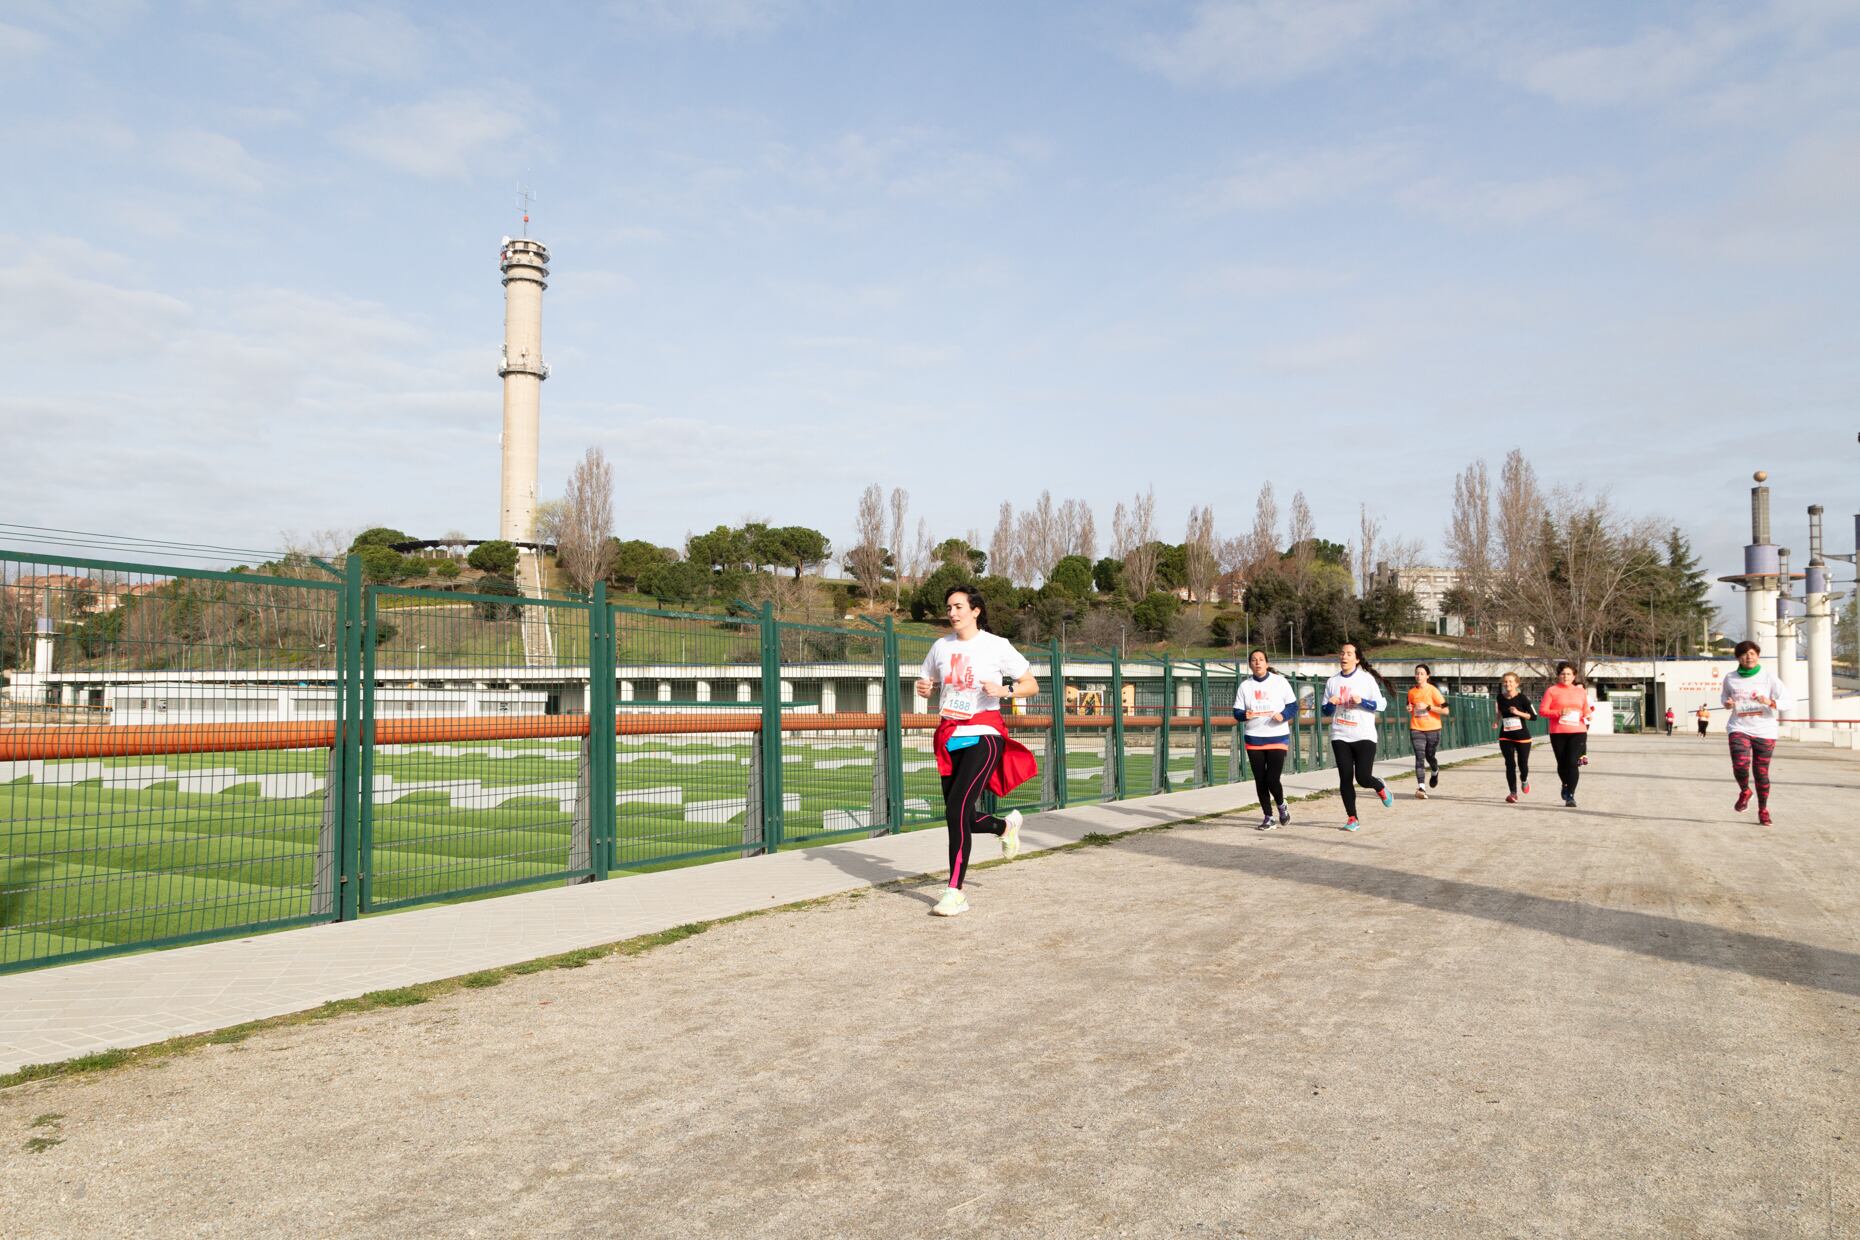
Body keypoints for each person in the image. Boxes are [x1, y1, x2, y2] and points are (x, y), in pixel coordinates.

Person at [915, 585, 1039, 916]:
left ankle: (955, 892)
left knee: (956, 811)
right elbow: (926, 683)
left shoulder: (996, 645)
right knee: (960, 815)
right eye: (948, 607)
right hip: (950, 735)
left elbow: (1031, 684)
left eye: (958, 606)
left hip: (984, 733)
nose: (952, 613)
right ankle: (1005, 827)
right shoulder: (940, 647)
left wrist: (1005, 689)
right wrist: (923, 688)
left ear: (975, 611)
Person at [1720, 639, 1794, 827]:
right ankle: (1745, 791)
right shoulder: (1730, 678)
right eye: (1744, 654)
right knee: (1740, 764)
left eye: (1752, 653)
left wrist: (1770, 702)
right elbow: (1725, 697)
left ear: (1758, 656)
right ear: (1738, 658)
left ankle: (1763, 810)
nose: (1749, 657)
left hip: (1764, 729)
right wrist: (1727, 703)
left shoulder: (1769, 677)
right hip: (1739, 726)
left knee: (1761, 773)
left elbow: (1787, 702)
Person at [1322, 641, 1393, 831]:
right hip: (1340, 735)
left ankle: (1379, 787)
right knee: (1345, 777)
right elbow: (1325, 711)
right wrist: (1330, 704)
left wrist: (1362, 702)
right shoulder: (1332, 681)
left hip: (1364, 735)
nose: (1344, 656)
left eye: (1349, 654)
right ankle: (1352, 818)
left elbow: (1381, 705)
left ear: (1357, 659)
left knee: (1363, 778)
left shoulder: (1366, 679)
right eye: (1342, 653)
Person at [1234, 648, 1298, 830]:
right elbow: (1237, 712)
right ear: (1250, 664)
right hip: (1254, 738)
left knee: (1272, 778)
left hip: (1277, 736)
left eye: (1261, 659)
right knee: (1260, 780)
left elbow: (1293, 706)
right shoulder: (1245, 686)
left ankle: (1281, 806)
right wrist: (1244, 714)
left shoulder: (1280, 682)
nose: (1257, 662)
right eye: (1254, 660)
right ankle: (1268, 817)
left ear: (1266, 663)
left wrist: (1283, 715)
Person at [1538, 662, 1591, 807]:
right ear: (1558, 675)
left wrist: (1588, 715)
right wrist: (1559, 712)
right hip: (1558, 732)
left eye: (1569, 674)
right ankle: (1565, 784)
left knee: (1572, 762)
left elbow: (1586, 709)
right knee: (1562, 763)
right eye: (1563, 674)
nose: (1565, 676)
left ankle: (1571, 796)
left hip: (1578, 731)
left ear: (1574, 676)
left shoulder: (1580, 692)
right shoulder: (1552, 691)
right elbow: (1542, 711)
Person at [1406, 663, 1449, 798]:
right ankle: (1421, 788)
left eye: (1422, 674)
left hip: (1433, 729)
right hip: (1416, 728)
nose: (1419, 676)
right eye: (1417, 673)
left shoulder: (1433, 690)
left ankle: (1435, 770)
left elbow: (1446, 710)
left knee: (1430, 756)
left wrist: (1428, 707)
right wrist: (1409, 709)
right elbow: (1410, 706)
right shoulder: (1411, 692)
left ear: (1427, 676)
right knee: (1419, 757)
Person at [1494, 672, 1537, 803]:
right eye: (1505, 681)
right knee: (1509, 764)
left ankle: (1524, 779)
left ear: (1517, 683)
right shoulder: (1500, 697)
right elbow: (1499, 712)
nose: (1507, 684)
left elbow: (1533, 717)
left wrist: (1518, 712)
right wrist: (1496, 721)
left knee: (1522, 764)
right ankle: (1513, 793)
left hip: (1522, 737)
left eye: (1510, 681)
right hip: (1506, 736)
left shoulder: (1523, 698)